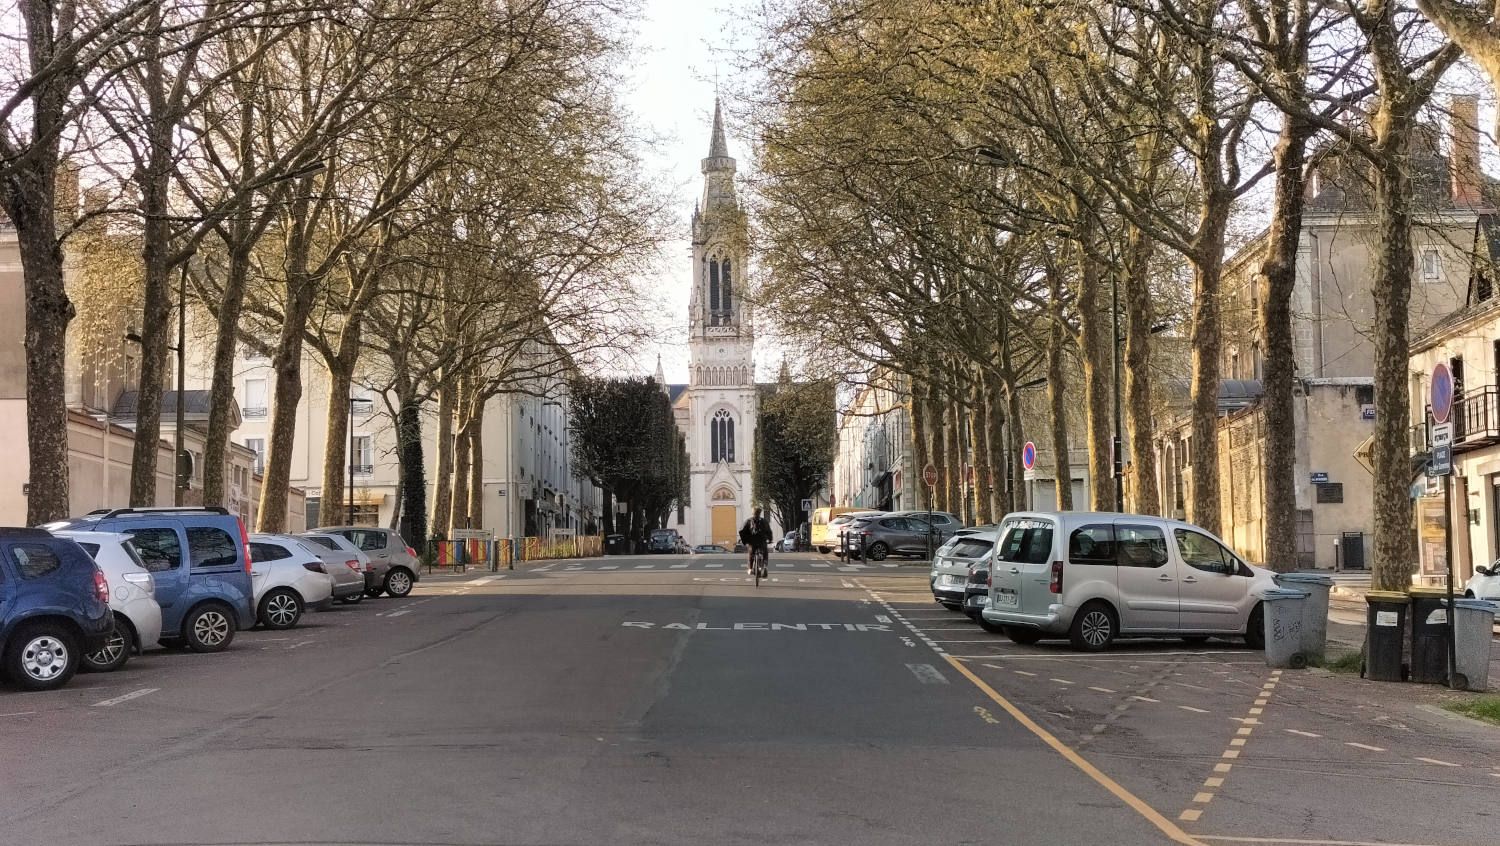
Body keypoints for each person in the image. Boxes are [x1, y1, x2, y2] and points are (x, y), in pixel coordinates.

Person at [739, 507, 772, 573]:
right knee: (765, 552)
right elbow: (769, 531)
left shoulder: (748, 521)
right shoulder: (764, 521)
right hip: (762, 540)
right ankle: (765, 566)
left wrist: (744, 541)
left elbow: (741, 531)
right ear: (760, 513)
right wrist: (770, 539)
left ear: (752, 513)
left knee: (751, 553)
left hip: (752, 541)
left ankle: (750, 568)